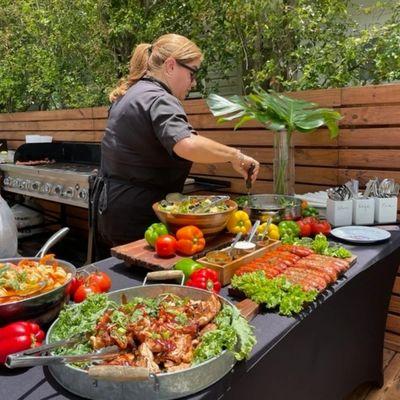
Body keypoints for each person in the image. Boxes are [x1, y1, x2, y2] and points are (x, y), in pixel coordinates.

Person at [96, 33, 260, 248]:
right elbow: (186, 144)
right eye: (192, 73)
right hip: (140, 216)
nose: (194, 82)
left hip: (113, 207)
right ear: (171, 66)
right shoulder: (159, 98)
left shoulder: (131, 93)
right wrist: (234, 156)